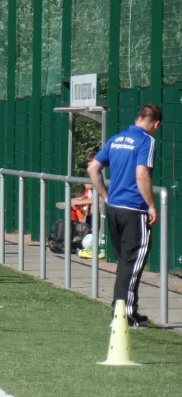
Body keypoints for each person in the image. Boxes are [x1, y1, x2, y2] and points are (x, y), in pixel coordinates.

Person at [88, 104, 162, 329]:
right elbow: (141, 174)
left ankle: (129, 309)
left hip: (114, 209)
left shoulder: (117, 138)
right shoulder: (146, 141)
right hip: (134, 210)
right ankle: (124, 315)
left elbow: (93, 168)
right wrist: (151, 205)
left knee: (125, 263)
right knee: (133, 262)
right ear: (155, 124)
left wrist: (105, 195)